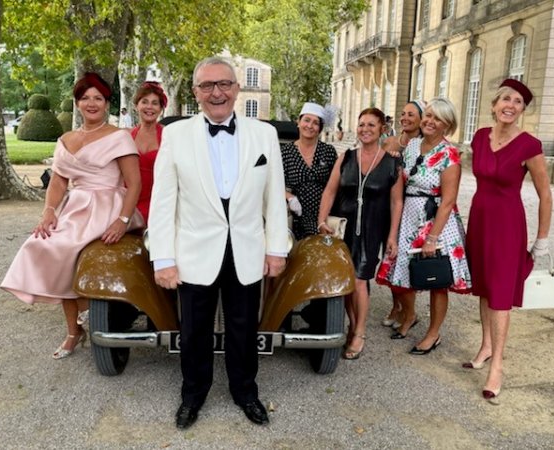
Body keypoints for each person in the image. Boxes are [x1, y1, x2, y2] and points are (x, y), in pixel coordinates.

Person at [148, 56, 287, 429]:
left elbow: (274, 198)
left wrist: (277, 248)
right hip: (194, 250)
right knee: (194, 330)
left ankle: (246, 392)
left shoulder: (265, 135)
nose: (217, 92)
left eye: (224, 84)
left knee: (244, 327)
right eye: (208, 86)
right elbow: (163, 201)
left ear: (237, 88)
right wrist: (162, 258)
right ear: (195, 93)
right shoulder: (175, 136)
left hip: (247, 247)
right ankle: (192, 396)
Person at [1, 72, 143, 359]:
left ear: (107, 104)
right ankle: (74, 330)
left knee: (70, 250)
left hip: (109, 205)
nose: (92, 103)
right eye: (85, 98)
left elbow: (135, 182)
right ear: (77, 103)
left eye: (98, 98)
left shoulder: (119, 137)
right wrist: (49, 212)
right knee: (42, 243)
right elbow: (57, 181)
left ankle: (99, 317)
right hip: (75, 207)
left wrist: (123, 220)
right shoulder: (66, 138)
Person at [464, 79, 553, 403]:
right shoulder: (478, 138)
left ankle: (497, 365)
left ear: (522, 111)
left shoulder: (530, 145)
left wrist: (542, 240)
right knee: (485, 287)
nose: (510, 105)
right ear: (494, 105)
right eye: (505, 99)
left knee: (500, 295)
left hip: (507, 226)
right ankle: (486, 346)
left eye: (517, 102)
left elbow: (545, 195)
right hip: (480, 220)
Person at [377, 98, 471, 349]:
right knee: (403, 271)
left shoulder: (450, 154)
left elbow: (448, 201)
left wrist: (432, 238)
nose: (430, 121)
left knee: (436, 280)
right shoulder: (412, 145)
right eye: (428, 115)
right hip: (409, 214)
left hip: (435, 221)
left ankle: (433, 333)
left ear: (447, 125)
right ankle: (409, 315)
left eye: (437, 118)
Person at [317, 107, 404, 360]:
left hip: (372, 227)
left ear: (381, 129)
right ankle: (352, 324)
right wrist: (322, 220)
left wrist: (392, 236)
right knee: (346, 281)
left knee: (359, 279)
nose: (365, 129)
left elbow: (396, 202)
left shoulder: (392, 163)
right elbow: (330, 191)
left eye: (371, 125)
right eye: (362, 124)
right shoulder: (345, 157)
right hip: (343, 225)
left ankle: (360, 333)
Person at [379, 99, 427, 329]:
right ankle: (396, 305)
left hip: (413, 209)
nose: (405, 118)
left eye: (411, 114)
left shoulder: (425, 145)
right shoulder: (389, 142)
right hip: (388, 206)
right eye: (403, 113)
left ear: (421, 118)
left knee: (406, 261)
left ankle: (409, 310)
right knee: (390, 258)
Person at [281, 102, 338, 239]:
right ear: (298, 122)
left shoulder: (328, 152)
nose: (310, 126)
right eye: (306, 120)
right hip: (294, 218)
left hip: (323, 218)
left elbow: (336, 185)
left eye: (315, 123)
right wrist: (289, 197)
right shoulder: (285, 152)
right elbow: (274, 183)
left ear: (320, 128)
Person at [129, 81, 168, 224]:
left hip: (157, 201)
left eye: (155, 103)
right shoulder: (126, 136)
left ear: (161, 109)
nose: (149, 107)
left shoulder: (168, 135)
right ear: (136, 106)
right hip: (129, 201)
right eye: (144, 102)